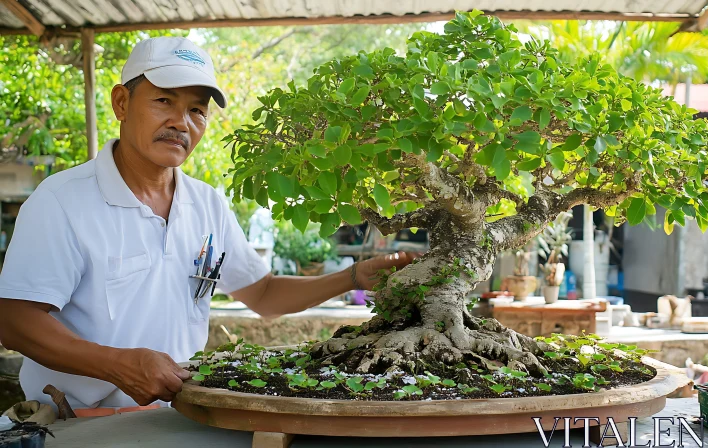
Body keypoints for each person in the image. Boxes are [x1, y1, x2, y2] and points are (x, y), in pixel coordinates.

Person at [0, 37, 416, 413]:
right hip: (81, 425)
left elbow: (264, 293)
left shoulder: (207, 204)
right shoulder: (61, 201)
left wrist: (353, 276)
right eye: (164, 101)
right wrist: (118, 366)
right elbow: (14, 320)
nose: (182, 122)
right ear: (121, 103)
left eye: (196, 110)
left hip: (182, 416)